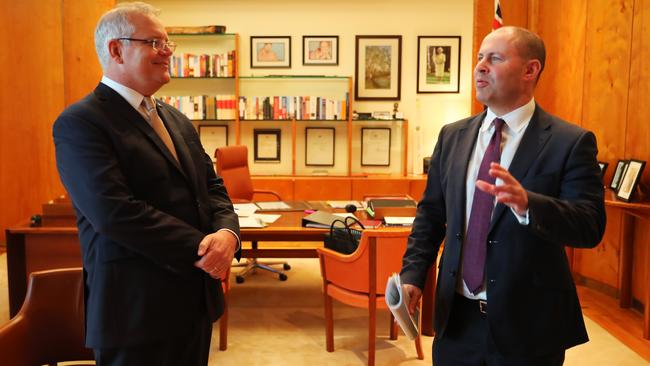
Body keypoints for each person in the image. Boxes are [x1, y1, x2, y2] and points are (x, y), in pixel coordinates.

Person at [401, 26, 606, 366]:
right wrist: (413, 275)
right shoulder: (452, 136)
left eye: (494, 58)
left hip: (528, 325)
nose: (481, 66)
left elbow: (589, 226)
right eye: (480, 57)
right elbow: (431, 215)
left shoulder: (570, 142)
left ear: (530, 70)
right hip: (456, 321)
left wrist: (529, 205)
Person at [53, 2, 241, 365]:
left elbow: (212, 188)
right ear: (116, 50)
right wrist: (205, 249)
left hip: (195, 303)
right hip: (135, 312)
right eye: (155, 42)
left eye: (168, 43)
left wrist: (228, 235)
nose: (168, 51)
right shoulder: (81, 122)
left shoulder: (175, 118)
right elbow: (114, 212)